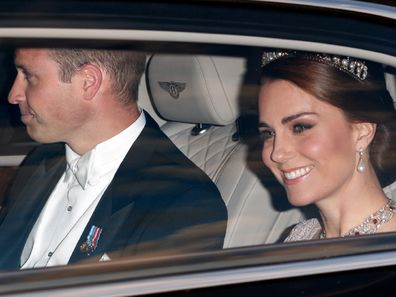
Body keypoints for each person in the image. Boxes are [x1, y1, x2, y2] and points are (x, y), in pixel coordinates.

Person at [0, 48, 227, 270]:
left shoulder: (185, 204)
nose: (13, 95)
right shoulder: (42, 160)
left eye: (29, 76)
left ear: (88, 82)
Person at [258, 49, 396, 241]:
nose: (277, 154)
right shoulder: (299, 237)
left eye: (300, 127)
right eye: (269, 133)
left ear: (362, 132)